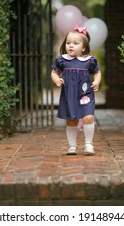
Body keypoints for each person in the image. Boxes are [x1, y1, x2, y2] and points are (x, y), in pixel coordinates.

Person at [51, 25, 101, 155]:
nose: (70, 46)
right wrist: (56, 79)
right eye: (68, 43)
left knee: (89, 117)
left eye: (75, 43)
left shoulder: (89, 61)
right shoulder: (62, 60)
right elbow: (54, 72)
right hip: (69, 95)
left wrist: (96, 81)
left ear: (83, 47)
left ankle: (88, 144)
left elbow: (97, 72)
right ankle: (72, 146)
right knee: (71, 120)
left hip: (85, 94)